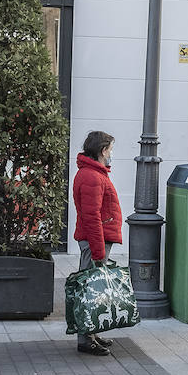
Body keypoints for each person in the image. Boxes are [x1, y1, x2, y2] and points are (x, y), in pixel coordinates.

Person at [71, 130, 122, 356]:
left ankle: (91, 333)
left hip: (97, 239)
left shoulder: (94, 173)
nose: (111, 154)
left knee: (94, 289)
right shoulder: (92, 176)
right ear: (102, 151)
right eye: (110, 149)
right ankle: (85, 339)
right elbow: (91, 216)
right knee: (90, 290)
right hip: (95, 241)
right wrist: (99, 250)